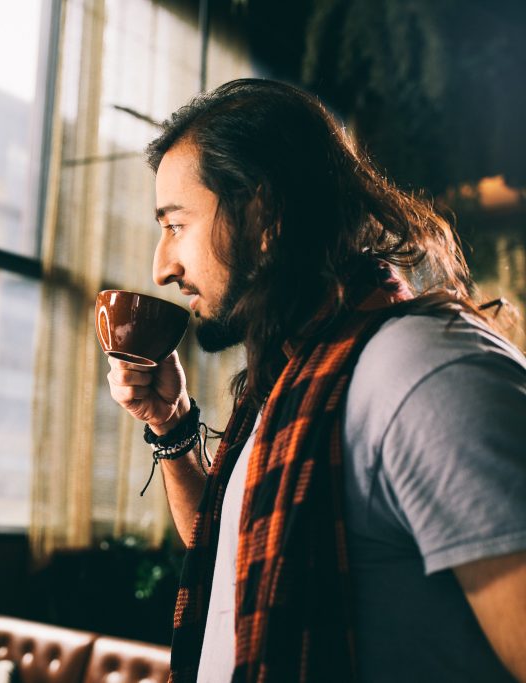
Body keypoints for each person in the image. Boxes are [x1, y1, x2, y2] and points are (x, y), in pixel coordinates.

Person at [106, 79, 526, 682]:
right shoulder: (290, 383)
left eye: (175, 225)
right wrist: (170, 427)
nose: (162, 266)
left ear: (265, 214)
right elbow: (229, 549)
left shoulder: (425, 372)